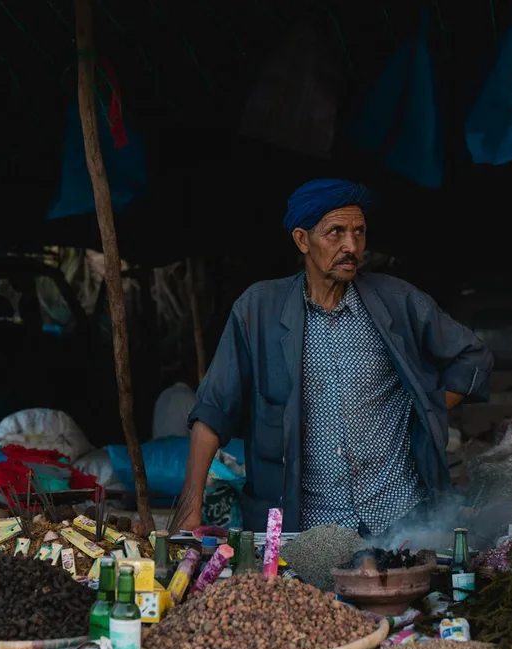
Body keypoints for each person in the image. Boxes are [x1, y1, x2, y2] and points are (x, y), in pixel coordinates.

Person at [173, 178, 492, 536]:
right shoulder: (258, 310)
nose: (351, 246)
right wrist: (190, 508)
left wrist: (425, 409)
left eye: (359, 232)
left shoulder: (397, 301)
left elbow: (472, 357)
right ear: (302, 240)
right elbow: (213, 412)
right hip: (308, 529)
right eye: (335, 232)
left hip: (400, 516)